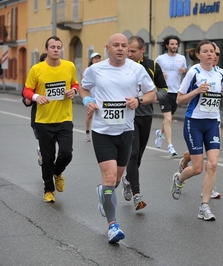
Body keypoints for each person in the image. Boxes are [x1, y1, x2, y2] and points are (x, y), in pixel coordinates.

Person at [79, 33, 156, 243]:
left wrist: (138, 100)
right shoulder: (95, 70)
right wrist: (87, 101)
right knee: (110, 177)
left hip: (125, 130)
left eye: (124, 45)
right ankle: (113, 226)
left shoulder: (136, 69)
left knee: (118, 177)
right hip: (102, 131)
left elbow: (153, 93)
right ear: (108, 48)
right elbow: (83, 88)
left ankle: (104, 196)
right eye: (116, 45)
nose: (121, 48)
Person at [170, 40, 223, 221]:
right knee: (197, 168)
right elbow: (179, 100)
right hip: (195, 122)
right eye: (205, 51)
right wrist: (197, 91)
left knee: (212, 164)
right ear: (198, 55)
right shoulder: (194, 72)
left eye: (212, 51)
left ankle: (204, 206)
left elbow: (218, 93)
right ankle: (179, 179)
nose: (210, 54)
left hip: (213, 122)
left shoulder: (220, 73)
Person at [23, 36, 79, 203]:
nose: (56, 49)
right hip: (44, 121)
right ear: (46, 50)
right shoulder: (37, 69)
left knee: (66, 153)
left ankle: (57, 172)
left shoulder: (69, 66)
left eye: (58, 47)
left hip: (64, 119)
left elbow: (75, 84)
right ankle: (48, 190)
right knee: (47, 158)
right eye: (52, 47)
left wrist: (74, 91)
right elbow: (26, 90)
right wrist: (36, 97)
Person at [121, 36, 168, 210]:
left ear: (142, 50)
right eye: (128, 50)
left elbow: (164, 89)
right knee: (132, 154)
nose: (129, 54)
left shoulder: (152, 65)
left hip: (145, 115)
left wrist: (153, 97)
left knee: (138, 156)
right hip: (128, 116)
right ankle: (137, 194)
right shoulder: (122, 66)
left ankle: (127, 179)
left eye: (133, 51)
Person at [155, 35, 187, 157]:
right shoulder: (160, 59)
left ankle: (160, 133)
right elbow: (153, 73)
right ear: (167, 45)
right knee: (168, 119)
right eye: (172, 44)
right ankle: (170, 147)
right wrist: (160, 75)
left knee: (167, 119)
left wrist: (185, 71)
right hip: (164, 91)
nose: (174, 46)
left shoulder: (182, 58)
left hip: (176, 92)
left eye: (176, 44)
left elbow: (186, 74)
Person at [22, 53, 47, 167]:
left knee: (52, 145)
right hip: (38, 117)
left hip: (56, 116)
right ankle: (45, 171)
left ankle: (43, 152)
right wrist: (27, 100)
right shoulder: (36, 75)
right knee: (45, 144)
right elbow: (26, 93)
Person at [84, 52, 102, 142]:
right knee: (90, 114)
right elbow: (84, 83)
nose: (97, 60)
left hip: (100, 96)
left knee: (101, 114)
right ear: (92, 60)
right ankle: (87, 131)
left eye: (98, 58)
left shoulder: (102, 69)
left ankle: (100, 133)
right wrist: (88, 97)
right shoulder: (88, 69)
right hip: (91, 95)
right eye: (95, 58)